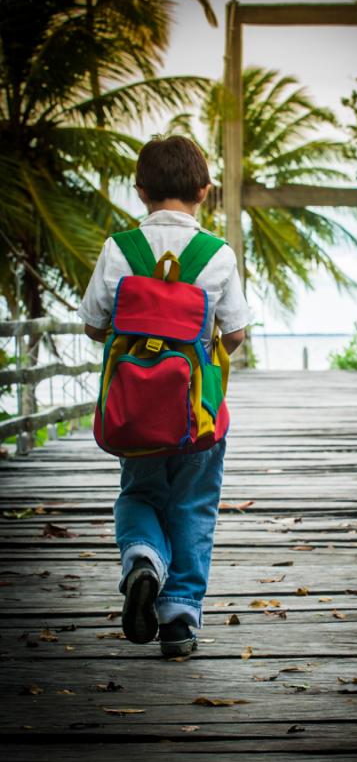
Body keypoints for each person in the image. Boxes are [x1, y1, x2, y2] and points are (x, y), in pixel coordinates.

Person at [77, 135, 251, 657]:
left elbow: (92, 324)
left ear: (140, 191)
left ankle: (143, 558)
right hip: (197, 415)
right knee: (195, 506)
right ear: (204, 190)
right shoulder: (216, 254)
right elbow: (237, 334)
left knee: (140, 493)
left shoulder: (118, 248)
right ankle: (179, 617)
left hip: (133, 413)